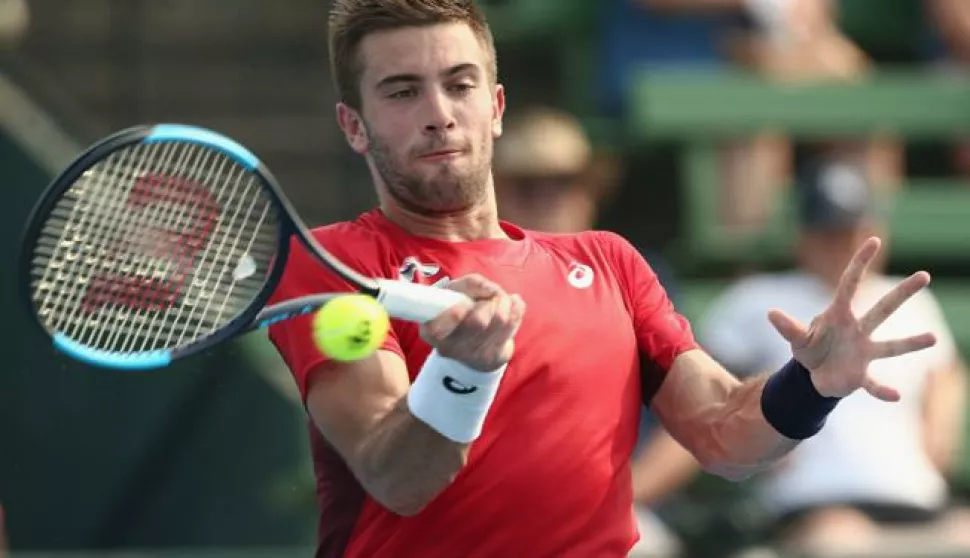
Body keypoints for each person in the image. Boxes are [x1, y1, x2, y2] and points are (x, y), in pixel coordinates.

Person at [267, 2, 938, 556]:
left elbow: (725, 436)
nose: (439, 111)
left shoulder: (609, 263)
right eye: (402, 91)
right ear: (353, 126)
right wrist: (463, 374)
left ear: (496, 106)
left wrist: (809, 386)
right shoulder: (334, 265)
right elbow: (396, 476)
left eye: (460, 83)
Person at [699, 157, 970, 555]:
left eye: (853, 229)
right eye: (828, 231)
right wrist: (759, 441)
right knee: (841, 542)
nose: (844, 245)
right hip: (812, 503)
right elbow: (700, 375)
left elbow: (945, 372)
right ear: (803, 236)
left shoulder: (911, 299)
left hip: (916, 497)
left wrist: (937, 437)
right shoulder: (758, 298)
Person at [493, 105, 698, 558]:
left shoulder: (637, 275)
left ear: (590, 188)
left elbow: (694, 422)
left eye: (566, 181)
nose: (550, 197)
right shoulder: (465, 280)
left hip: (622, 517)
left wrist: (620, 501)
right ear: (499, 190)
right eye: (530, 184)